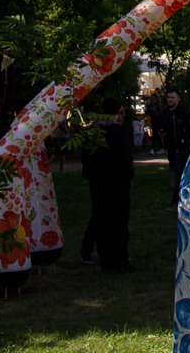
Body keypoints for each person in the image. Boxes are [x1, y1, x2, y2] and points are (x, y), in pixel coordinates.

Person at [81, 97, 134, 271]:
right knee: (118, 219)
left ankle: (105, 257)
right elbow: (125, 157)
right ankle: (119, 259)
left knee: (101, 217)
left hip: (98, 181)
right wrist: (127, 174)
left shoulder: (93, 131)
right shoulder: (118, 132)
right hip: (117, 181)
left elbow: (86, 156)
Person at [160, 88, 190, 207]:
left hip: (183, 148)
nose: (170, 100)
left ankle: (177, 200)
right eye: (168, 98)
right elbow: (162, 128)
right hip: (171, 148)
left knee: (180, 174)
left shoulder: (183, 112)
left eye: (172, 97)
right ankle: (183, 198)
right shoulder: (166, 113)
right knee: (176, 172)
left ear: (178, 99)